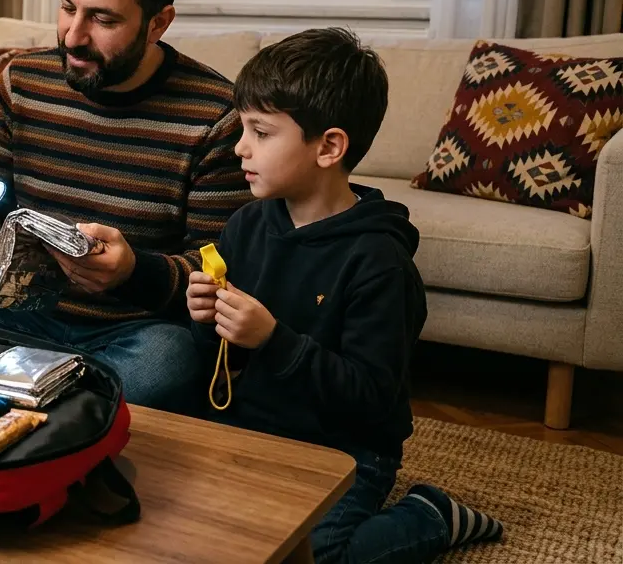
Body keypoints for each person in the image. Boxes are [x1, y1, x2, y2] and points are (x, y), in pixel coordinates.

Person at [0, 0, 253, 412]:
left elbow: (218, 277)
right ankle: (63, 396)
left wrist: (132, 272)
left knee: (167, 364)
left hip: (135, 330)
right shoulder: (21, 83)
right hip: (18, 312)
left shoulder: (215, 116)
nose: (72, 36)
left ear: (158, 22)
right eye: (67, 8)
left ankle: (13, 390)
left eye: (103, 19)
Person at [184, 28, 503, 563]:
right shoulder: (245, 225)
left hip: (348, 449)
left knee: (321, 556)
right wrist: (206, 319)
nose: (240, 146)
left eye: (261, 132)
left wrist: (273, 339)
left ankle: (430, 514)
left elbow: (372, 398)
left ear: (329, 146)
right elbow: (225, 359)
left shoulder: (378, 261)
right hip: (256, 427)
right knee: (182, 516)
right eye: (243, 128)